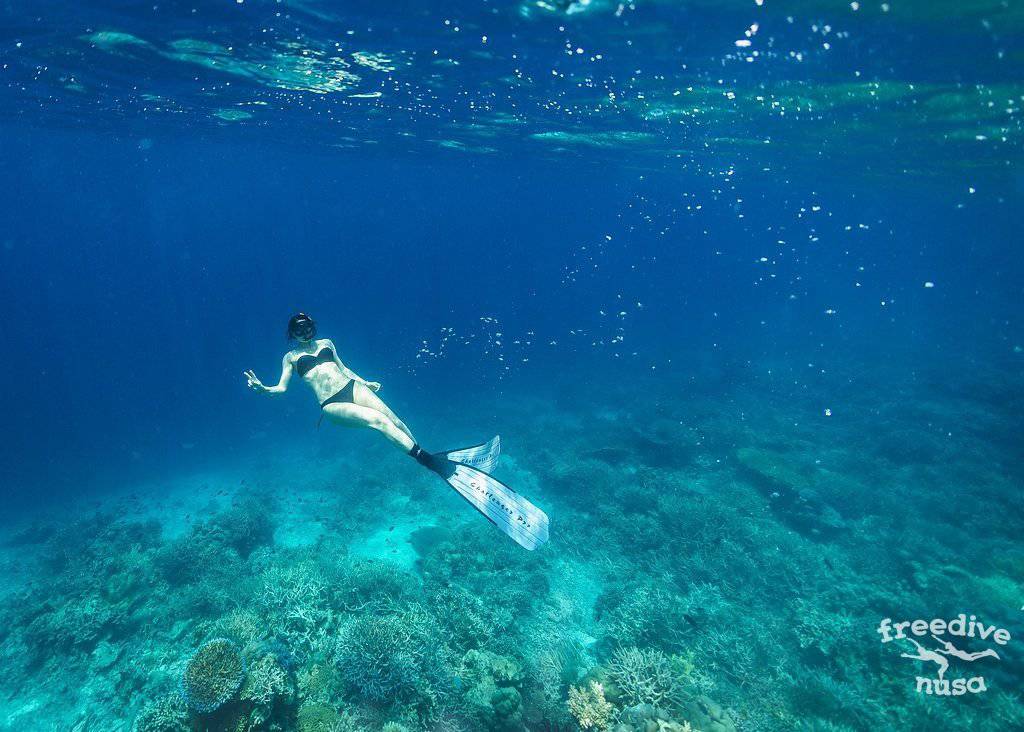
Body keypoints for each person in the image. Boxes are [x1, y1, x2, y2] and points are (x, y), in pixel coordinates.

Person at [244, 313, 548, 550]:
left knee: (397, 421)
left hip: (353, 387)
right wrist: (263, 389)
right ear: (291, 334)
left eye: (307, 327)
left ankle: (427, 453)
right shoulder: (291, 358)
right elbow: (281, 389)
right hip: (330, 405)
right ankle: (428, 461)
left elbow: (344, 367)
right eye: (298, 330)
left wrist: (367, 381)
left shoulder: (327, 343)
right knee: (379, 423)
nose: (304, 333)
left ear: (313, 327)